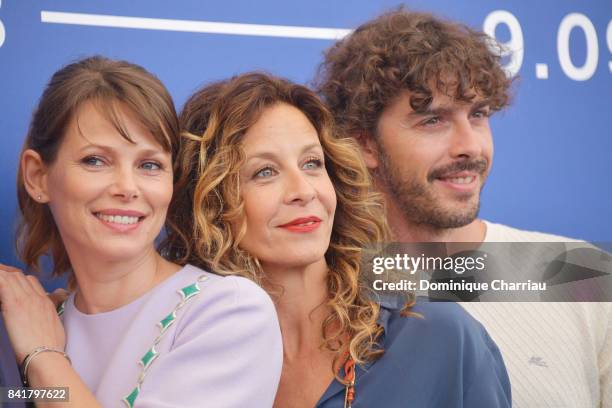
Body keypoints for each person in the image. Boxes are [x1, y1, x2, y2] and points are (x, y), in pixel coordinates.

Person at [316, 8, 612, 407]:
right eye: (433, 120)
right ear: (364, 143)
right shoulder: (319, 290)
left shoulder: (581, 273)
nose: (469, 146)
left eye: (478, 115)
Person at [163, 72, 511, 407]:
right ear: (209, 203)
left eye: (312, 163)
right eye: (265, 172)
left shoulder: (437, 335)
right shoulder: (182, 351)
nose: (303, 191)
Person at [0, 56, 282, 407]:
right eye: (96, 160)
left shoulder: (230, 312)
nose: (127, 187)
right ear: (37, 177)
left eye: (149, 165)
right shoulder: (22, 324)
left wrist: (43, 356)